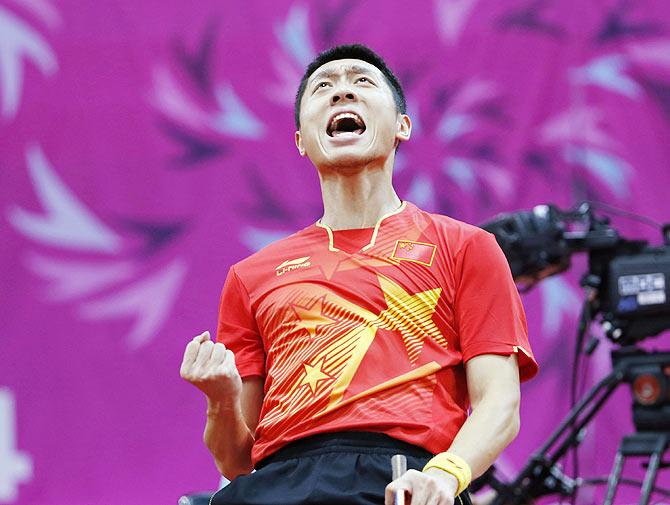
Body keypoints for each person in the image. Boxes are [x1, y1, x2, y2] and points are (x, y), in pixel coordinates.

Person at [179, 44, 538, 505]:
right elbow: (236, 462)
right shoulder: (251, 275)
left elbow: (499, 405)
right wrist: (221, 397)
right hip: (276, 484)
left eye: (362, 82)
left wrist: (445, 476)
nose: (341, 92)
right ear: (301, 141)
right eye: (323, 87)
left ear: (402, 126)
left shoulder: (466, 247)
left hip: (400, 480)